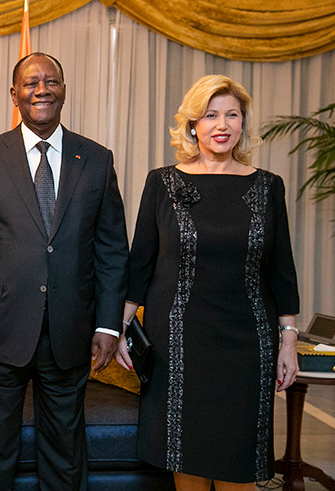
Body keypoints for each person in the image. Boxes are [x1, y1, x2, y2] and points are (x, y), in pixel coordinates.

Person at [0, 52, 128, 490]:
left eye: (51, 82)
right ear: (15, 94)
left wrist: (108, 324)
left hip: (72, 330)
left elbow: (111, 251)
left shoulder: (97, 160)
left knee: (65, 452)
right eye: (31, 83)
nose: (41, 90)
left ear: (64, 91)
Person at [118, 75, 300, 491]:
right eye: (211, 115)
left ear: (242, 124)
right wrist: (121, 329)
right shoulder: (162, 182)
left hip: (247, 343)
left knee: (239, 462)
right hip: (178, 342)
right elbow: (140, 263)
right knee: (187, 457)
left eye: (232, 115)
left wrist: (288, 340)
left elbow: (281, 269)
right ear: (192, 125)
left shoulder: (268, 186)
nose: (222, 125)